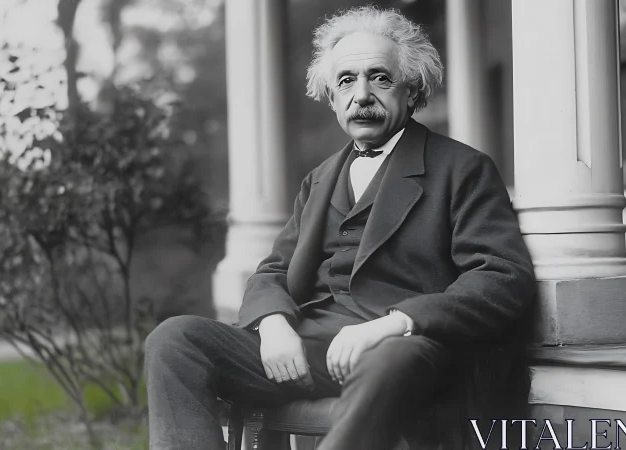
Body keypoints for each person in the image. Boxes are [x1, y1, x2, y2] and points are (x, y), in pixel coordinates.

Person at [144, 6, 536, 449]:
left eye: (380, 78)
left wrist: (394, 324)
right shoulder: (320, 177)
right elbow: (273, 270)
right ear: (331, 99)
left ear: (412, 91)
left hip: (400, 350)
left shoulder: (462, 169)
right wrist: (273, 324)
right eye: (346, 81)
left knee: (395, 359)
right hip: (311, 349)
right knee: (175, 341)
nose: (362, 95)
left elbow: (504, 278)